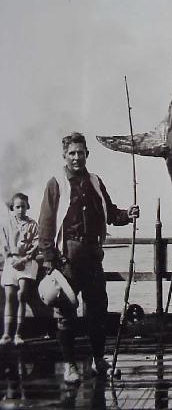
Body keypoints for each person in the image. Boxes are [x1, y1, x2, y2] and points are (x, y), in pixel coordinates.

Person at [38, 132, 139, 384]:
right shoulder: (56, 184)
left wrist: (128, 214)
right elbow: (46, 225)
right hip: (66, 261)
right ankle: (70, 365)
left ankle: (98, 360)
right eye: (71, 153)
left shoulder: (95, 181)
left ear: (87, 154)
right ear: (64, 156)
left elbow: (110, 213)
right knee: (66, 316)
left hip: (93, 258)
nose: (76, 157)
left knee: (97, 312)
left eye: (80, 152)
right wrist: (50, 261)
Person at [0, 193, 39, 345]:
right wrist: (12, 258)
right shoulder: (6, 224)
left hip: (27, 262)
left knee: (22, 294)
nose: (20, 210)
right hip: (11, 261)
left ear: (27, 207)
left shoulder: (33, 224)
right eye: (17, 207)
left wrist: (24, 259)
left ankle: (18, 334)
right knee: (9, 296)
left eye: (23, 206)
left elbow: (36, 245)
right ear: (13, 208)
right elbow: (3, 245)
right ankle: (6, 334)